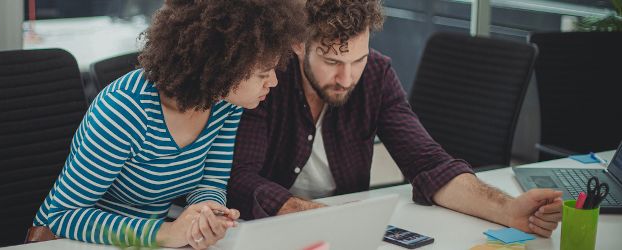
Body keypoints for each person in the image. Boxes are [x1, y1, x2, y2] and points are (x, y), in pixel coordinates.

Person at [227, 0, 563, 238]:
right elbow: (241, 179)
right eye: (331, 61)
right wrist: (319, 218)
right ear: (299, 45)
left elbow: (429, 163)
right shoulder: (268, 79)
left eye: (357, 59)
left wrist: (508, 209)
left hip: (344, 236)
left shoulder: (376, 73)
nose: (346, 78)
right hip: (270, 234)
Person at [31, 0, 306, 249]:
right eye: (263, 73)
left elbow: (211, 180)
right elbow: (62, 216)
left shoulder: (225, 104)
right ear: (223, 67)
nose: (273, 81)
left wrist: (206, 214)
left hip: (149, 241)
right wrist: (166, 232)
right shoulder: (125, 111)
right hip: (72, 240)